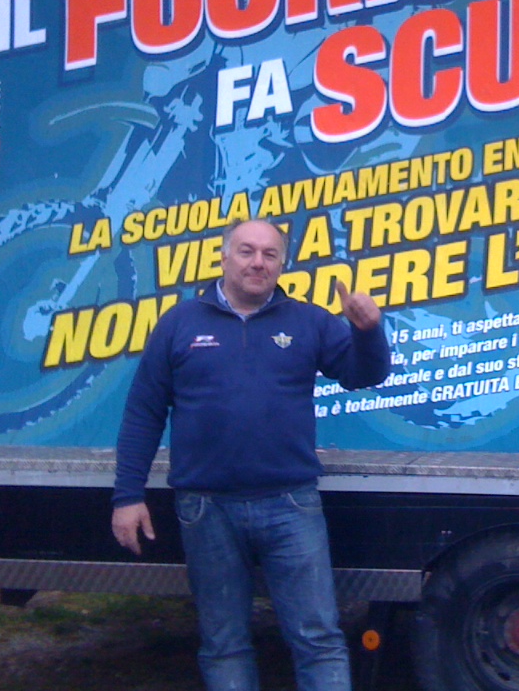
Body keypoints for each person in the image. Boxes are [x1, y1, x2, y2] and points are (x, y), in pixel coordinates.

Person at [111, 217, 390, 691]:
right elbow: (144, 412)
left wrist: (367, 332)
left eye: (269, 254)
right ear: (224, 257)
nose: (258, 262)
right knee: (224, 643)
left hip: (291, 504)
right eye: (246, 251)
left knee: (318, 639)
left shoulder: (308, 321)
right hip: (206, 509)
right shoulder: (179, 323)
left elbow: (364, 375)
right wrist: (127, 496)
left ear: (281, 265)